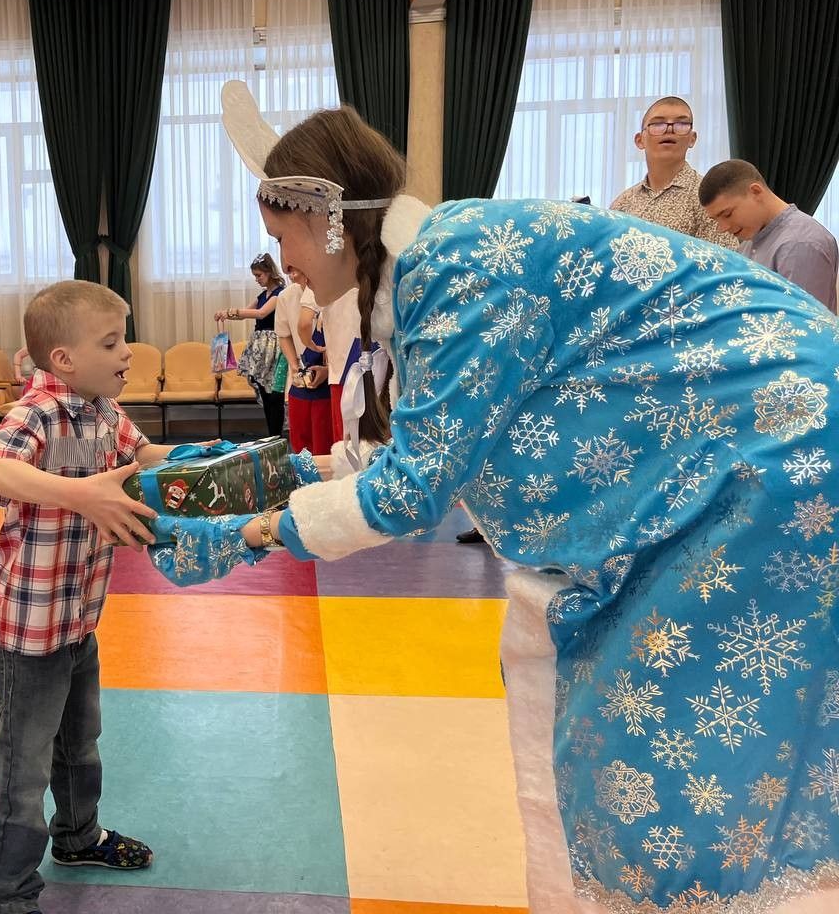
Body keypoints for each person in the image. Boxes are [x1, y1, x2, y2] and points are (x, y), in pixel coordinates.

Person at [153, 87, 839, 912]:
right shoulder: (437, 263)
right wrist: (265, 478)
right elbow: (414, 450)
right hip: (740, 454)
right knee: (632, 723)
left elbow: (414, 489)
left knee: (667, 736)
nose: (281, 260)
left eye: (280, 237)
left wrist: (253, 533)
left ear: (328, 218)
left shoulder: (457, 267)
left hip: (770, 455)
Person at [0, 280, 190, 914]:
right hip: (28, 627)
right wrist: (81, 494)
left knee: (80, 741)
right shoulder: (37, 412)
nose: (128, 352)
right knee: (23, 766)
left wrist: (208, 458)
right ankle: (10, 896)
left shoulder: (104, 411)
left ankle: (78, 837)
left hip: (77, 618)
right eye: (112, 342)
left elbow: (145, 455)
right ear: (64, 359)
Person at [699, 159, 838, 313]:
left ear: (756, 191)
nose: (723, 228)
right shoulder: (748, 244)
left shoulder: (801, 243)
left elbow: (804, 321)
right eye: (716, 220)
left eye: (727, 214)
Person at [610, 96, 738, 249]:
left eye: (681, 124)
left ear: (692, 139)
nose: (669, 129)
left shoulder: (708, 199)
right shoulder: (622, 204)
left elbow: (723, 260)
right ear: (639, 140)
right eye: (658, 124)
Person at [217, 253, 286, 435]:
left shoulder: (279, 293)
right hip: (260, 345)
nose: (257, 279)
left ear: (269, 272)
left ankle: (276, 434)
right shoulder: (263, 294)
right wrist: (225, 314)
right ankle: (272, 434)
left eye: (259, 275)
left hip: (273, 346)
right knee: (263, 389)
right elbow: (245, 312)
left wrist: (232, 311)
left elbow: (261, 313)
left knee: (273, 392)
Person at [276, 268, 331, 455]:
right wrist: (294, 364)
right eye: (289, 271)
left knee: (326, 444)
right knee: (301, 445)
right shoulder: (286, 297)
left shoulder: (331, 289)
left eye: (297, 270)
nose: (293, 276)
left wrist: (328, 369)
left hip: (331, 379)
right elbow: (284, 335)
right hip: (301, 379)